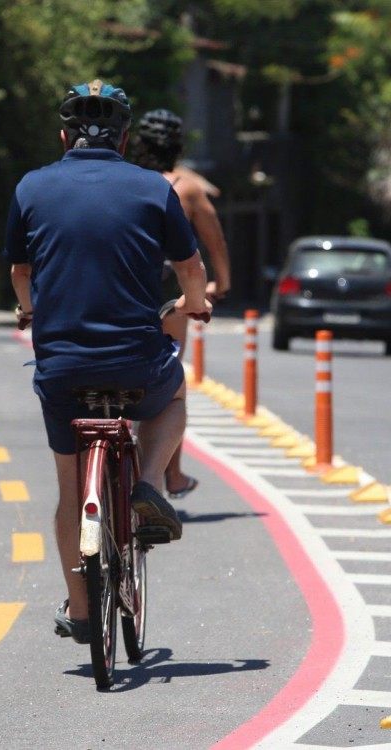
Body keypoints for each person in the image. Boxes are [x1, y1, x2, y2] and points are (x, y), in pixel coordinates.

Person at [4, 81, 212, 643]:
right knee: (173, 395)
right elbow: (190, 267)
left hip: (63, 369)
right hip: (137, 364)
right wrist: (195, 304)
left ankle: (80, 610)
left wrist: (29, 312)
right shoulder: (153, 188)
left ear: (63, 136)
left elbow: (21, 274)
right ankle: (147, 483)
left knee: (71, 493)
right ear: (124, 139)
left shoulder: (32, 187)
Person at [132, 108, 232, 500]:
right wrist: (222, 281)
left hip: (126, 290)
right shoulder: (186, 188)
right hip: (168, 293)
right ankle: (170, 474)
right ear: (177, 145)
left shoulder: (129, 182)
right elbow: (215, 239)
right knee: (169, 380)